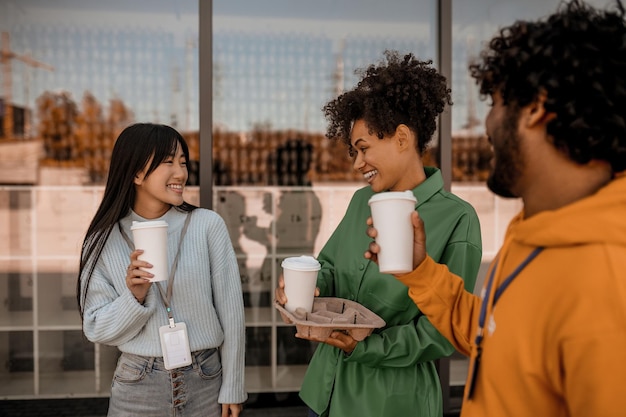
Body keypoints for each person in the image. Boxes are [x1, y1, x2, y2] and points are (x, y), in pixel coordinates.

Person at [365, 1, 626, 416]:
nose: (487, 125)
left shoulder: (611, 280)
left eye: (496, 103)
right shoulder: (537, 231)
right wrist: (420, 272)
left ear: (536, 108)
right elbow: (489, 333)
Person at [275, 50, 483, 417]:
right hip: (323, 391)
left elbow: (443, 331)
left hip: (390, 402)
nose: (357, 164)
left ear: (402, 138)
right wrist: (310, 285)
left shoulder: (457, 219)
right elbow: (329, 265)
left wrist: (363, 347)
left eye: (363, 149)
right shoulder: (361, 202)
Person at [77, 123, 247, 416]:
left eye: (183, 162)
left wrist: (233, 384)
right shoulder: (104, 239)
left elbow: (232, 313)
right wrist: (135, 298)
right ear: (136, 173)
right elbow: (96, 328)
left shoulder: (207, 225)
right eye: (168, 162)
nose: (181, 173)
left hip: (206, 379)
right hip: (137, 385)